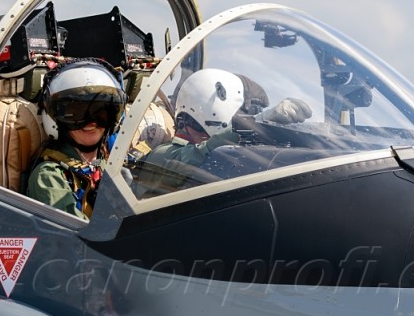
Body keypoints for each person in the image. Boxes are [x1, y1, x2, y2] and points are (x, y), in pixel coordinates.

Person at [136, 68, 312, 196]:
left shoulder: (217, 156)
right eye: (242, 116)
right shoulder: (162, 156)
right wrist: (255, 124)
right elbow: (199, 155)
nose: (244, 119)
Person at [26, 59, 127, 219]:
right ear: (55, 118)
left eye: (100, 112)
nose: (91, 122)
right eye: (76, 113)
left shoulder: (111, 161)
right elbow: (79, 237)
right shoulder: (48, 177)